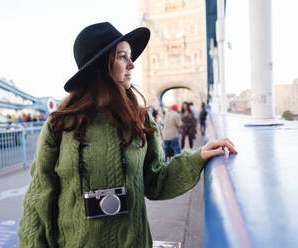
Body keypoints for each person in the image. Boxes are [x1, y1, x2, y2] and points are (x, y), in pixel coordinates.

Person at [17, 22, 237, 248]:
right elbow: (39, 198)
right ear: (100, 66)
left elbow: (156, 181)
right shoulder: (59, 125)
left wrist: (198, 157)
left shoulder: (140, 120)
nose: (132, 65)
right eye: (123, 57)